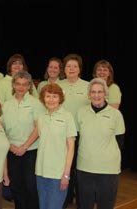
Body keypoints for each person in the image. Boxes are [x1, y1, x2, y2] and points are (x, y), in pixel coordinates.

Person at [76, 78, 125, 209]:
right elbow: (76, 139)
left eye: (100, 92)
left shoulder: (116, 114)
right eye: (93, 92)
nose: (96, 95)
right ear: (89, 94)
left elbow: (120, 142)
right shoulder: (81, 112)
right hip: (84, 168)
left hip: (108, 170)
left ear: (105, 94)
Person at [0, 70, 45, 209]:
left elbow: (38, 128)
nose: (21, 87)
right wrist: (10, 146)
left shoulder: (36, 103)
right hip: (11, 151)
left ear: (29, 86)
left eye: (24, 84)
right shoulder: (6, 105)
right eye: (18, 84)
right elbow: (0, 129)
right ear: (13, 85)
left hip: (30, 151)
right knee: (16, 186)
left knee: (31, 186)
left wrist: (24, 147)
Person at [35, 83, 77, 209]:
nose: (51, 99)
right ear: (43, 98)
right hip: (41, 172)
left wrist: (66, 174)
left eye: (54, 96)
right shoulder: (41, 117)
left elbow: (71, 147)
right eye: (48, 96)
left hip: (58, 173)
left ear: (60, 99)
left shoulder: (67, 116)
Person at [58, 53, 89, 208]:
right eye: (68, 66)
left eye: (75, 66)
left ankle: (81, 202)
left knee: (79, 168)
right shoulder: (58, 85)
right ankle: (65, 198)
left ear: (79, 69)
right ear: (64, 68)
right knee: (64, 166)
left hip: (81, 134)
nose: (71, 69)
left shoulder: (87, 86)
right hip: (61, 134)